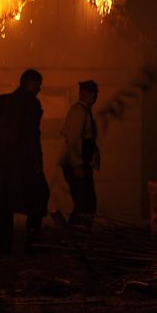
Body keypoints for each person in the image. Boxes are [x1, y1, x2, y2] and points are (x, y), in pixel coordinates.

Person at [0, 68, 49, 257]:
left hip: (4, 165)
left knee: (5, 208)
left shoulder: (4, 101)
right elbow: (32, 137)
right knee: (38, 198)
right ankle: (32, 246)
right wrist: (36, 161)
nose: (39, 88)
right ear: (29, 84)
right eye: (38, 84)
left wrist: (3, 141)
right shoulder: (31, 104)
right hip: (23, 164)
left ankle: (5, 250)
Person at [61, 79, 101, 227]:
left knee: (88, 204)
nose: (93, 96)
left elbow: (87, 138)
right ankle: (75, 236)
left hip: (83, 164)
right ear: (81, 94)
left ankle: (80, 236)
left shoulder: (85, 112)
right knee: (84, 205)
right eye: (89, 92)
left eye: (94, 93)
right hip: (77, 165)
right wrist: (77, 164)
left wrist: (94, 155)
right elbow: (73, 140)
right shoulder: (78, 111)